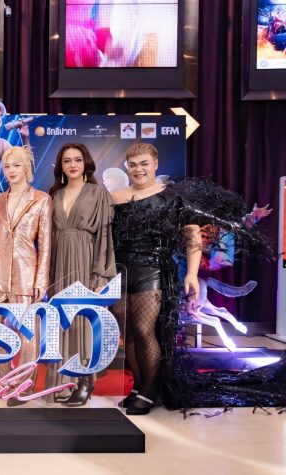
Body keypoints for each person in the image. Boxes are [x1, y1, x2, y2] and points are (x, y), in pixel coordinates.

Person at [109, 142, 201, 415]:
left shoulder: (173, 196)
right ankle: (138, 387)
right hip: (120, 271)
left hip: (153, 270)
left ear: (156, 164)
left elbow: (193, 235)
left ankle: (149, 392)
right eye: (133, 165)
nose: (138, 169)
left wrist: (193, 274)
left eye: (144, 164)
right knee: (129, 334)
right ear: (127, 167)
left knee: (144, 329)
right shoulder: (115, 197)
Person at [0, 147, 52, 406]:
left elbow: (45, 243)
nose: (11, 170)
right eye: (7, 166)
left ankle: (23, 385)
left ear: (26, 168)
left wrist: (41, 280)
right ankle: (2, 381)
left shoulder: (41, 199)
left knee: (28, 335)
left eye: (16, 165)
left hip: (26, 275)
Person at [46, 143, 116, 406]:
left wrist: (100, 276)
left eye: (77, 159)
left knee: (83, 321)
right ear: (61, 166)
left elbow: (105, 237)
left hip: (85, 262)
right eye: (67, 161)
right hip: (59, 265)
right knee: (62, 322)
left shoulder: (99, 193)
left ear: (86, 163)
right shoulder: (54, 194)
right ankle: (64, 382)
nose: (72, 165)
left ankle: (84, 382)